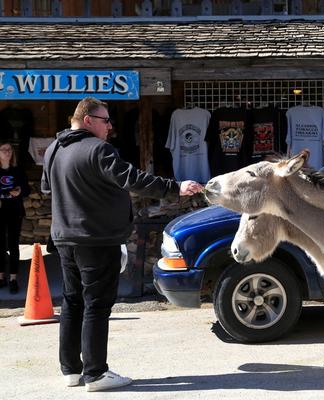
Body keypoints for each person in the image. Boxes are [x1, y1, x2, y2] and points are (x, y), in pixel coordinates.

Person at [41, 97, 203, 392]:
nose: (110, 127)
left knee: (72, 301)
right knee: (97, 304)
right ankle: (96, 374)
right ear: (88, 120)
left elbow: (46, 188)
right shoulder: (98, 149)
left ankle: (70, 370)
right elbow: (132, 179)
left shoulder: (54, 149)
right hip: (96, 239)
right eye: (105, 121)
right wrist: (174, 188)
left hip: (65, 238)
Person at [0, 140, 31, 294]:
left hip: (15, 211)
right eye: (4, 149)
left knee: (13, 245)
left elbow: (27, 189)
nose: (7, 152)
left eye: (9, 150)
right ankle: (1, 277)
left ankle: (13, 278)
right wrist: (6, 193)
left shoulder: (17, 171)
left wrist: (20, 192)